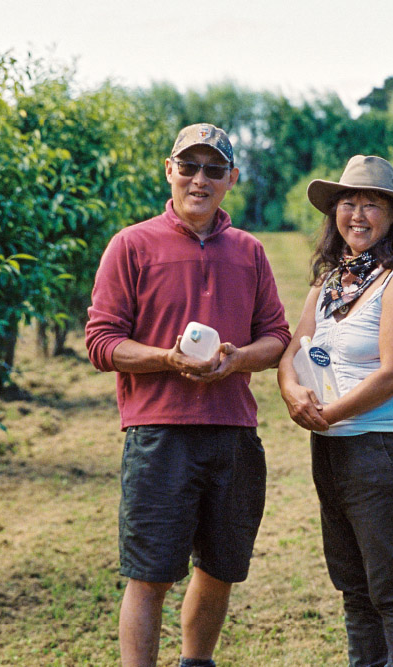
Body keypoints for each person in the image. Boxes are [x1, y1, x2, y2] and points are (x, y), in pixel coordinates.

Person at [85, 123, 290, 667]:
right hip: (159, 435)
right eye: (190, 166)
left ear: (232, 179)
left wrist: (237, 360)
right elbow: (102, 341)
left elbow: (276, 337)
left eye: (214, 169)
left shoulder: (248, 252)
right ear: (170, 170)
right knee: (150, 573)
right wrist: (166, 360)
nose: (201, 179)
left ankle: (196, 662)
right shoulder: (131, 245)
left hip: (232, 433)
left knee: (221, 567)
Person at [277, 155, 393, 667]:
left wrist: (330, 412)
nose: (358, 214)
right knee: (354, 586)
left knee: (391, 587)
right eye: (349, 202)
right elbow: (295, 350)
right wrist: (291, 390)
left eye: (372, 204)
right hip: (334, 448)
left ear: (392, 217)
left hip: (383, 448)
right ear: (334, 213)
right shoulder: (330, 284)